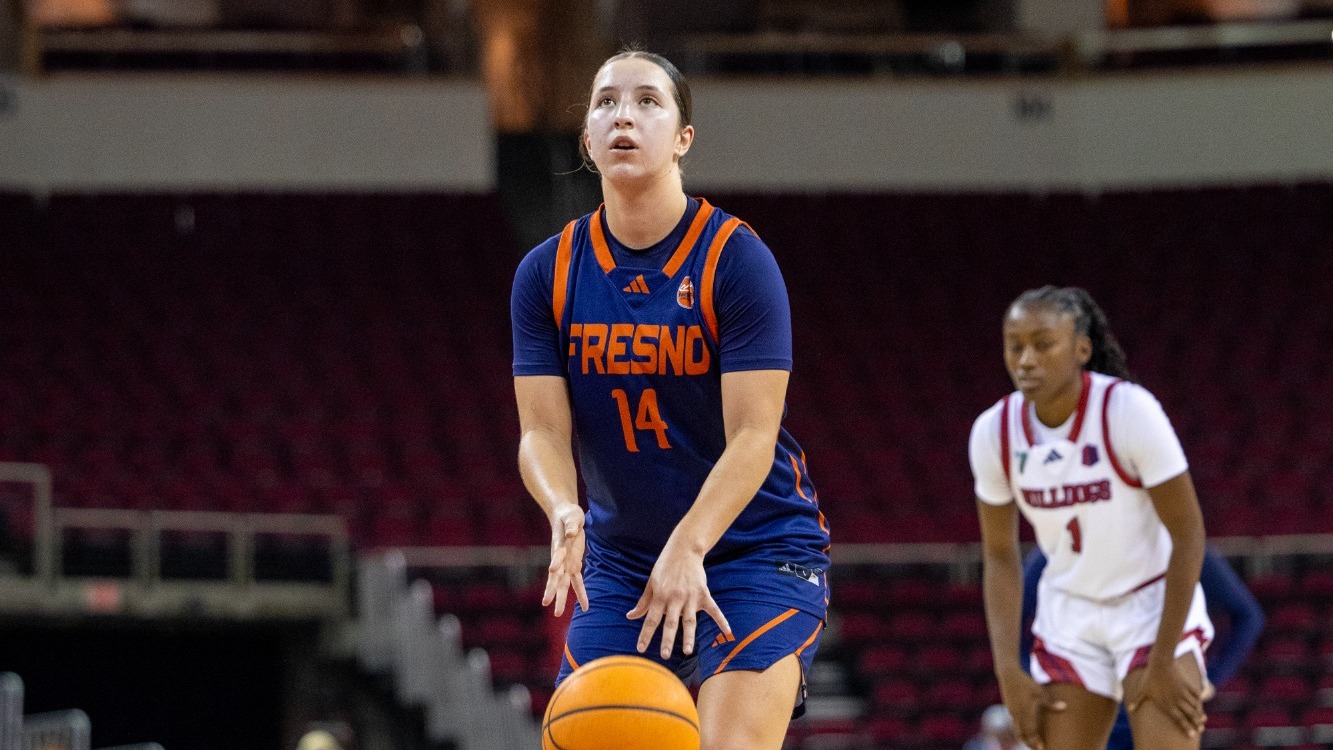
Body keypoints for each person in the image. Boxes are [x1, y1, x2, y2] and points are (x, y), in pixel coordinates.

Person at [510, 49, 830, 749]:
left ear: (684, 137)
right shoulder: (546, 274)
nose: (623, 114)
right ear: (587, 140)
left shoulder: (735, 258)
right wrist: (564, 509)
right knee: (581, 737)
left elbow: (754, 436)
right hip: (624, 559)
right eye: (604, 102)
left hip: (753, 546)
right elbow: (539, 432)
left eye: (647, 101)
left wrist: (690, 545)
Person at [969, 286, 1213, 750]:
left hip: (1151, 604)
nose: (1025, 360)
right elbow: (1000, 556)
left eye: (1043, 344)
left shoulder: (1128, 410)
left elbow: (1189, 532)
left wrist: (1163, 660)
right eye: (1014, 345)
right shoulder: (993, 432)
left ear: (1082, 348)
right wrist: (1008, 671)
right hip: (1071, 611)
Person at [1019, 545, 1264, 750]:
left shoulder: (1177, 542)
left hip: (1159, 694)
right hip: (1090, 693)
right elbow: (1013, 613)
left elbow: (1248, 616)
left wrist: (1210, 678)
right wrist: (1025, 674)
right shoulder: (1058, 547)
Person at [964, 704, 1028, 750]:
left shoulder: (1025, 747)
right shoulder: (975, 747)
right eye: (998, 737)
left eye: (1007, 737)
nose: (1004, 743)